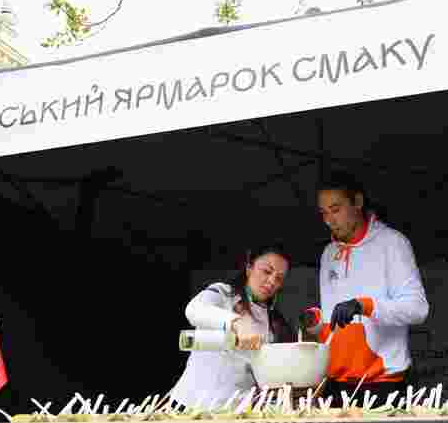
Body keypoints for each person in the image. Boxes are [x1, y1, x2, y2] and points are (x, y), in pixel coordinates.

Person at [300, 171, 429, 404]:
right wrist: (316, 321)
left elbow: (418, 309)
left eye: (335, 209)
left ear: (357, 202)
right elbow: (335, 319)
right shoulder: (328, 253)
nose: (329, 220)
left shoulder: (392, 243)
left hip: (383, 383)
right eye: (323, 213)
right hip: (336, 383)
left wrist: (365, 306)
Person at [170, 245, 296, 409]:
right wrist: (235, 323)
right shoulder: (223, 293)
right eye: (267, 271)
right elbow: (194, 310)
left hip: (233, 411)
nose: (272, 281)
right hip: (190, 403)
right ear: (249, 268)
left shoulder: (274, 322)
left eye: (279, 278)